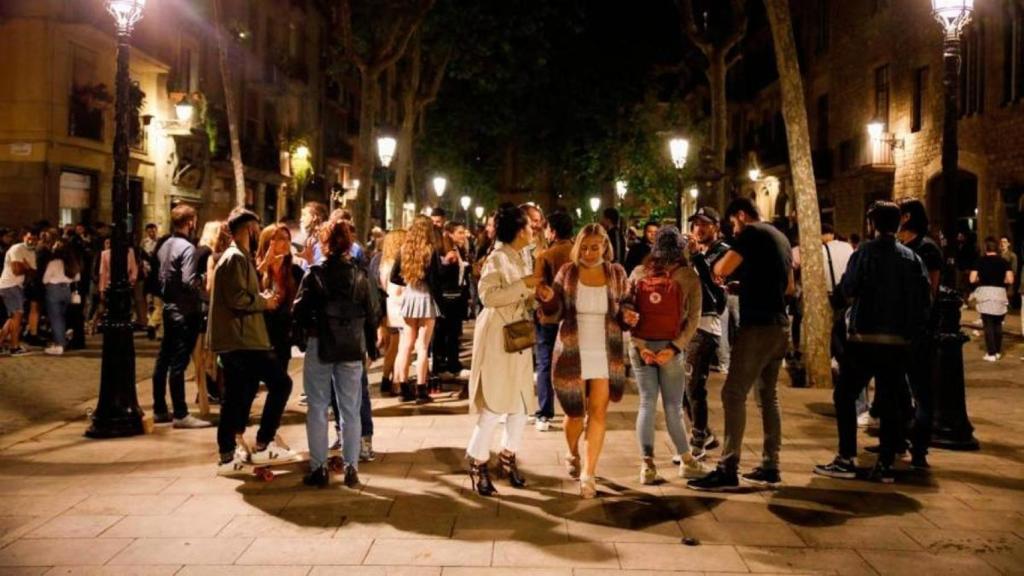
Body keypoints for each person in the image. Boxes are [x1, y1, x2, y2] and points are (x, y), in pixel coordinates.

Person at [814, 201, 930, 484]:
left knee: (845, 395)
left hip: (864, 338)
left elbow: (848, 288)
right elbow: (923, 300)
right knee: (890, 401)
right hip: (897, 342)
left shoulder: (865, 253)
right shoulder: (912, 258)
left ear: (872, 225)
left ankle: (846, 457)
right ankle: (885, 464)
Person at [687, 197, 794, 491]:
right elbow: (789, 287)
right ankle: (770, 465)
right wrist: (745, 285)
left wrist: (716, 268)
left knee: (732, 394)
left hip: (757, 327)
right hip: (780, 326)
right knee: (768, 396)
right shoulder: (781, 237)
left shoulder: (751, 233)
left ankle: (727, 467)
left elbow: (721, 269)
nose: (733, 230)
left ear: (742, 215)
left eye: (733, 223)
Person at [537, 223, 631, 498]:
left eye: (595, 247)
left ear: (605, 246)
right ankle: (572, 451)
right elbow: (555, 309)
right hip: (571, 350)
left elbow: (626, 302)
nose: (589, 253)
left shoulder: (616, 273)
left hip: (606, 350)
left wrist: (628, 314)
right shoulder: (568, 272)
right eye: (585, 248)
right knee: (574, 414)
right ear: (578, 247)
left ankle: (588, 474)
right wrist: (548, 298)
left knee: (599, 413)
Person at [293, 217, 381, 487]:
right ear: (349, 243)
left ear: (324, 243)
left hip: (320, 342)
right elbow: (373, 312)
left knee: (318, 406)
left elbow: (299, 310)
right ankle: (351, 467)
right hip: (352, 345)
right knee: (350, 409)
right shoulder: (360, 275)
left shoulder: (315, 274)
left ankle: (319, 468)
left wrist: (303, 337)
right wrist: (370, 344)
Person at [212, 207, 298, 474]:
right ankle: (260, 443)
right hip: (242, 338)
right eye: (256, 228)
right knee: (279, 384)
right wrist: (265, 302)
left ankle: (231, 452)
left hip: (243, 337)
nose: (258, 233)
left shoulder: (238, 257)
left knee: (238, 394)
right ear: (248, 229)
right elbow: (237, 298)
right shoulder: (235, 258)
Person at [626, 226, 709, 485]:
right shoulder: (689, 277)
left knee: (647, 403)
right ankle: (686, 461)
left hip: (641, 347)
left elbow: (627, 311)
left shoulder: (639, 273)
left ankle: (647, 466)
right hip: (670, 347)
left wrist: (640, 345)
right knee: (673, 406)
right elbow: (693, 319)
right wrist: (674, 348)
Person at [465, 203, 538, 496]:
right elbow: (488, 296)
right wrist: (524, 285)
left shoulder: (522, 256)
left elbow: (523, 294)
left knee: (520, 403)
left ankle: (508, 454)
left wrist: (536, 295)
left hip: (518, 334)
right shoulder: (497, 258)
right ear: (519, 230)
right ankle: (478, 461)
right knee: (494, 403)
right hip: (497, 335)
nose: (534, 229)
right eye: (530, 225)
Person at [151, 205, 210, 428]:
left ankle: (159, 408)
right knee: (179, 362)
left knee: (163, 359)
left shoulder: (165, 245)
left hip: (169, 307)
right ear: (190, 222)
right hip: (185, 311)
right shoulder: (187, 248)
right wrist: (202, 281)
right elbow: (188, 280)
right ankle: (180, 413)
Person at [896, 198, 943, 468]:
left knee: (921, 390)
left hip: (919, 330)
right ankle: (898, 439)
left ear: (906, 217)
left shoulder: (927, 248)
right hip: (899, 328)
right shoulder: (902, 247)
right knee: (898, 389)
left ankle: (920, 449)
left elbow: (931, 292)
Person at [684, 207, 729, 459]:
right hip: (686, 324)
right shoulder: (697, 253)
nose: (698, 229)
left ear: (716, 226)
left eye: (704, 224)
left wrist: (696, 258)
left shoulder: (723, 252)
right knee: (681, 387)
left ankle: (698, 439)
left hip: (706, 324)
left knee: (694, 385)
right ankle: (704, 433)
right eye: (696, 224)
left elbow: (715, 286)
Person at [390, 216, 443, 404]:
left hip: (410, 297)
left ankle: (404, 389)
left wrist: (409, 281)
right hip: (426, 297)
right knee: (423, 346)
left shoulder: (404, 250)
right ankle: (421, 389)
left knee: (406, 345)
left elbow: (393, 276)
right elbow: (436, 279)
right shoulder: (431, 251)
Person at [532, 210, 574, 432]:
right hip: (574, 318)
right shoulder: (579, 254)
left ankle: (545, 412)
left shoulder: (545, 256)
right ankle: (575, 409)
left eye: (547, 228)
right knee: (573, 364)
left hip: (550, 318)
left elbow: (539, 288)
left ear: (553, 231)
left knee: (545, 363)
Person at [256, 223, 303, 373]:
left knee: (281, 383)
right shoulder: (256, 269)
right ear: (268, 243)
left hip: (283, 338)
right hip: (259, 338)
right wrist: (264, 265)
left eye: (288, 239)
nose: (286, 243)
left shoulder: (295, 272)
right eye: (281, 239)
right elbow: (247, 288)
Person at [433, 220, 471, 383]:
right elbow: (438, 274)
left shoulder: (459, 249)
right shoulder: (441, 250)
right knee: (443, 333)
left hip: (458, 296)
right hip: (447, 297)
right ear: (449, 234)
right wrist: (447, 263)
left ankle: (453, 363)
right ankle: (440, 365)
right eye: (460, 232)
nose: (463, 235)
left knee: (454, 332)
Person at [971, 237, 1014, 361]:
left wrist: (980, 278)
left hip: (985, 293)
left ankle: (991, 353)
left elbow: (972, 279)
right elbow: (1010, 280)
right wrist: (1002, 280)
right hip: (1000, 293)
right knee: (997, 323)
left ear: (985, 248)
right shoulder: (1004, 261)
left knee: (988, 324)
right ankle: (998, 352)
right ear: (997, 247)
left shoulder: (979, 261)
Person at [375, 229, 407, 396]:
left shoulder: (383, 262)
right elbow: (398, 289)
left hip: (388, 307)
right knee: (399, 346)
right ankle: (395, 381)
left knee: (392, 346)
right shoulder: (396, 263)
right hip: (398, 307)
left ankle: (387, 378)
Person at [0, 228, 38, 356]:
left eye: (34, 239)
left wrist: (26, 268)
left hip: (16, 286)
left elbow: (34, 273)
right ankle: (14, 347)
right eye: (29, 238)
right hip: (10, 285)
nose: (32, 241)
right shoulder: (17, 249)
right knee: (17, 316)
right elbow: (16, 270)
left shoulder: (31, 252)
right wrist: (27, 267)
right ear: (23, 237)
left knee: (13, 317)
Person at [42, 233, 81, 356]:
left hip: (54, 290)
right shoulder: (72, 263)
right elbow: (77, 277)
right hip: (67, 290)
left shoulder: (54, 263)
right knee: (62, 317)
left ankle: (60, 344)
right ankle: (60, 341)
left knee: (55, 318)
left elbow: (45, 279)